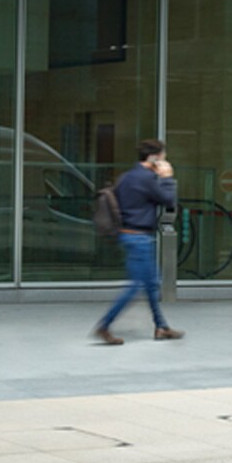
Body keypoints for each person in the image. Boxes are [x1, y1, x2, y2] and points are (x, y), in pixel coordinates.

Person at [93, 139, 183, 345]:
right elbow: (168, 200)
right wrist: (167, 178)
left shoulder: (126, 177)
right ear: (154, 157)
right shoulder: (146, 179)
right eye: (162, 157)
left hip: (128, 234)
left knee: (151, 284)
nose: (164, 160)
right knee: (135, 286)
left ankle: (161, 327)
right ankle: (104, 325)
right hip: (140, 237)